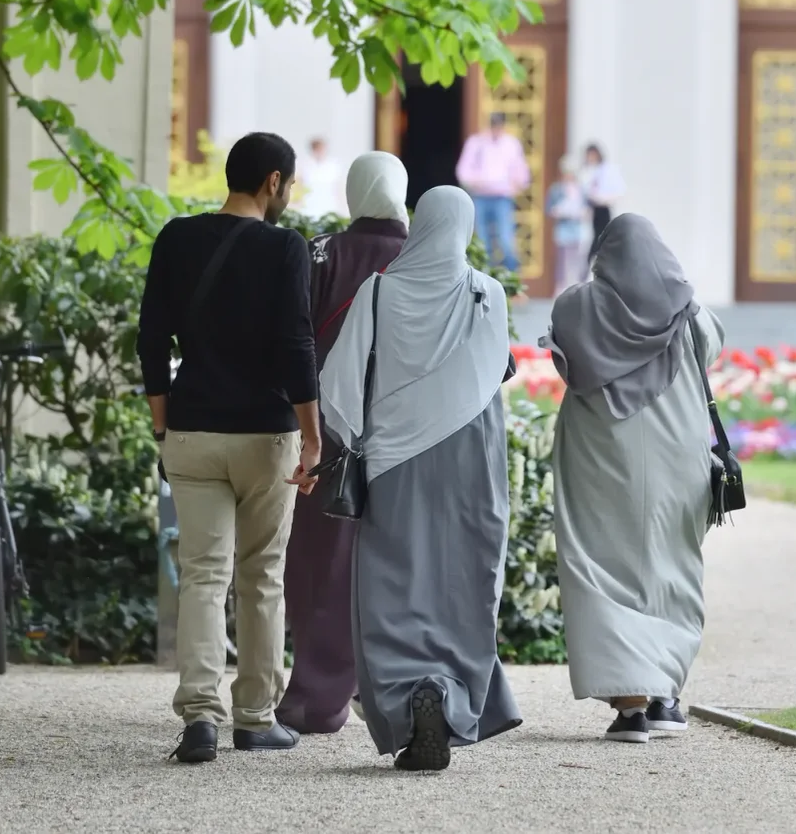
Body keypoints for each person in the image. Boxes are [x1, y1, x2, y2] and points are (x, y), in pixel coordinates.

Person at [316, 185, 522, 771]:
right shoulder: (488, 293)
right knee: (462, 581)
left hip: (392, 462)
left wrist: (352, 439)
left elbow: (339, 384)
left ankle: (410, 698)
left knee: (394, 581)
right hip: (471, 465)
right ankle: (452, 692)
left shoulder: (378, 292)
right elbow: (491, 377)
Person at [137, 132, 321, 763]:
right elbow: (296, 346)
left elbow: (151, 339)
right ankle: (254, 717)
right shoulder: (284, 248)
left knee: (203, 575)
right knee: (261, 575)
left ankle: (198, 719)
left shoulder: (176, 238)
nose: (288, 195)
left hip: (191, 431)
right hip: (266, 436)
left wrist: (164, 425)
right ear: (273, 181)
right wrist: (314, 436)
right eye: (289, 184)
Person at [540, 214, 724, 744]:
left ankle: (631, 706)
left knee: (602, 563)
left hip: (600, 458)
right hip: (677, 459)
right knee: (671, 567)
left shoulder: (575, 307)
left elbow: (565, 355)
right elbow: (711, 350)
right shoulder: (692, 314)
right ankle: (666, 695)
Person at [275, 152, 411, 736]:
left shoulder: (321, 249)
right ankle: (388, 687)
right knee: (399, 558)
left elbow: (292, 334)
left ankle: (317, 696)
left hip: (327, 427)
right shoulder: (423, 252)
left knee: (319, 559)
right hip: (407, 430)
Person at [455, 112, 530, 272]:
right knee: (482, 242)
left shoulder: (511, 143)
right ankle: (484, 280)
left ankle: (511, 279)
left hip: (503, 198)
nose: (496, 128)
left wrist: (514, 185)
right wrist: (477, 182)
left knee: (506, 241)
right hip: (480, 196)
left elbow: (521, 172)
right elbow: (463, 171)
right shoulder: (477, 142)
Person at [546, 156, 588, 296]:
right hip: (563, 228)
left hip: (577, 227)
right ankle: (561, 286)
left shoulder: (581, 189)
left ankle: (576, 285)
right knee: (562, 258)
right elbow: (549, 209)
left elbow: (587, 208)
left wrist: (582, 213)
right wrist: (558, 211)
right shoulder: (556, 189)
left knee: (577, 258)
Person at [581, 143, 625, 259]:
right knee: (596, 237)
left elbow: (617, 190)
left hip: (603, 207)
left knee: (603, 236)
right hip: (593, 208)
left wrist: (602, 198)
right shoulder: (588, 170)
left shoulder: (607, 170)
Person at [301, 137, 346, 217]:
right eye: (317, 149)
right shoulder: (305, 165)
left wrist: (343, 207)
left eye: (322, 149)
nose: (320, 151)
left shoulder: (333, 165)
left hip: (329, 203)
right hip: (310, 204)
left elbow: (339, 188)